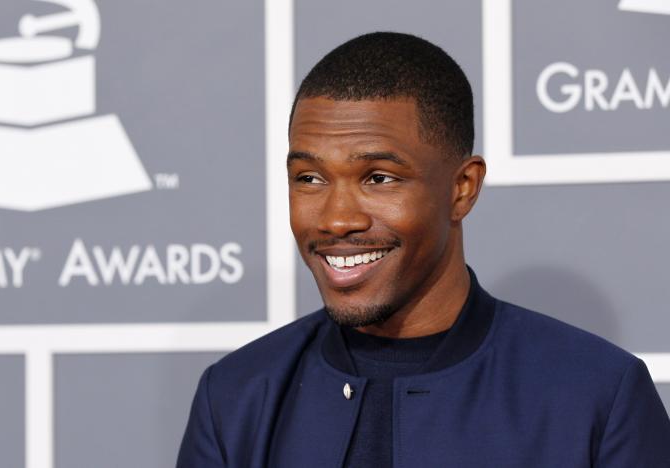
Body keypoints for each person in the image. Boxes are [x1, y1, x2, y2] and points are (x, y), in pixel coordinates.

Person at [176, 32, 670, 467]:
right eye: (309, 178)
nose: (336, 219)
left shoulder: (598, 395)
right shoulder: (236, 397)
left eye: (379, 178)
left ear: (462, 188)